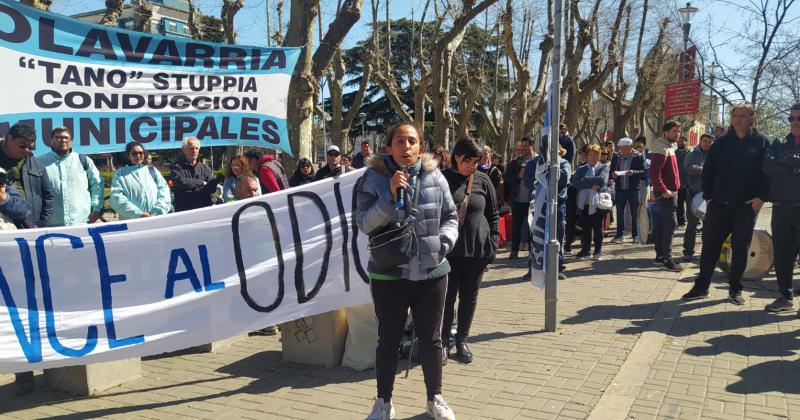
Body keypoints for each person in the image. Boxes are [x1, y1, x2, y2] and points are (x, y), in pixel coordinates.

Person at [357, 123, 458, 420]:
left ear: (420, 148)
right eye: (399, 141)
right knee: (388, 339)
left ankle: (434, 399)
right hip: (389, 275)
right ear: (388, 148)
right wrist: (389, 196)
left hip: (431, 272)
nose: (406, 147)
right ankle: (383, 402)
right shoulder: (372, 179)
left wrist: (443, 243)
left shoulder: (435, 176)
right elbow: (364, 223)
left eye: (412, 141)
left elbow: (450, 215)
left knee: (432, 338)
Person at [682, 103, 768, 304]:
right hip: (718, 205)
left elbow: (768, 174)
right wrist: (709, 197)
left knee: (740, 248)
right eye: (735, 115)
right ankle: (701, 287)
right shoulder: (721, 143)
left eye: (743, 116)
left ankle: (735, 289)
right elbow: (709, 171)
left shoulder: (761, 142)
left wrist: (760, 198)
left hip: (745, 207)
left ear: (751, 118)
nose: (738, 119)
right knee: (710, 247)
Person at [441, 138, 499, 365]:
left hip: (476, 250)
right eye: (468, 161)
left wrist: (492, 244)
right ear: (457, 157)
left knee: (469, 297)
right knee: (446, 298)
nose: (472, 165)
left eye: (476, 161)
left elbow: (493, 214)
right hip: (449, 251)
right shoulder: (443, 178)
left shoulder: (484, 180)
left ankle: (462, 340)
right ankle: (443, 340)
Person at [762, 103, 800, 313]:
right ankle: (784, 296)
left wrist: (784, 165)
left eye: (798, 118)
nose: (794, 122)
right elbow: (767, 167)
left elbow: (777, 167)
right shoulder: (779, 143)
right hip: (780, 208)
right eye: (791, 118)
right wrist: (794, 167)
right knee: (783, 254)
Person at [39, 126, 104, 227]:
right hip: (51, 224)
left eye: (66, 138)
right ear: (51, 141)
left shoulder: (83, 160)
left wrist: (96, 208)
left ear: (71, 141)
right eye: (58, 137)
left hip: (80, 222)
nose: (63, 140)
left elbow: (97, 185)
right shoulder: (39, 162)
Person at [0, 123, 53, 229]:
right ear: (9, 138)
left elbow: (48, 197)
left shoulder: (36, 165)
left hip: (29, 228)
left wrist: (42, 224)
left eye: (30, 147)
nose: (26, 150)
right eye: (22, 145)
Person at [649, 120, 683, 272]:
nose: (678, 134)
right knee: (670, 224)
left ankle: (660, 256)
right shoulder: (661, 147)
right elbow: (654, 172)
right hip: (666, 193)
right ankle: (667, 259)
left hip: (669, 192)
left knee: (663, 225)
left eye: (679, 131)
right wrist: (663, 189)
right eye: (674, 131)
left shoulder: (669, 146)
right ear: (666, 132)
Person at [110, 142, 172, 220]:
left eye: (140, 153)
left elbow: (164, 191)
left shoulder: (152, 170)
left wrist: (157, 212)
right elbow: (116, 199)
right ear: (128, 156)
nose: (138, 156)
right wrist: (138, 214)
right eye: (134, 153)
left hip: (155, 219)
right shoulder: (120, 174)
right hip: (132, 223)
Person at [572, 144, 609, 260]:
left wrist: (585, 181)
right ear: (586, 156)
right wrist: (591, 183)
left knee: (598, 228)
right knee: (586, 229)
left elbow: (602, 180)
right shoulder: (581, 169)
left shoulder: (603, 167)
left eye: (595, 155)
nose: (593, 157)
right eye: (590, 155)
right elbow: (575, 182)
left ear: (599, 156)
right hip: (584, 203)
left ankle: (598, 251)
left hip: (598, 203)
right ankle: (585, 250)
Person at [682, 133, 714, 261]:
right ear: (700, 142)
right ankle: (688, 252)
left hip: (709, 196)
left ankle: (707, 252)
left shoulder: (714, 155)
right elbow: (689, 169)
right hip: (694, 195)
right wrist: (704, 169)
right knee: (692, 225)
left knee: (708, 226)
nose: (707, 143)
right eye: (705, 141)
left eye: (709, 142)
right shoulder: (691, 154)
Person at [609, 137, 646, 243]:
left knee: (635, 213)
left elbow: (644, 172)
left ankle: (636, 235)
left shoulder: (638, 156)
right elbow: (611, 171)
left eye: (625, 148)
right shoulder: (616, 156)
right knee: (619, 213)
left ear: (630, 147)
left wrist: (633, 172)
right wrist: (613, 174)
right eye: (621, 148)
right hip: (620, 189)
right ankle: (619, 235)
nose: (622, 150)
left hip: (633, 189)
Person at [169, 137, 218, 212]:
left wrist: (191, 189)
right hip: (184, 212)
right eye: (191, 148)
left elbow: (212, 187)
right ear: (183, 149)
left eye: (196, 148)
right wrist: (202, 183)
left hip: (204, 210)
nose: (194, 151)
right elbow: (182, 183)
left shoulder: (205, 168)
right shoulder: (176, 167)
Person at [504, 140, 534, 259]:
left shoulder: (538, 161)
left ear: (532, 146)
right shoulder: (515, 162)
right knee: (516, 227)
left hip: (533, 199)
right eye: (522, 146)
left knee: (532, 227)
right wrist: (518, 175)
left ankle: (533, 251)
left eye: (527, 146)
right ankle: (514, 251)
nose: (524, 148)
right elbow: (507, 179)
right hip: (518, 199)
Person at [675, 136, 690, 227]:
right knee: (679, 204)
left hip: (689, 183)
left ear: (686, 142)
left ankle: (694, 222)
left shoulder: (690, 153)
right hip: (678, 183)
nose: (680, 143)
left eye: (682, 141)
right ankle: (681, 221)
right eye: (679, 141)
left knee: (690, 204)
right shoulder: (674, 153)